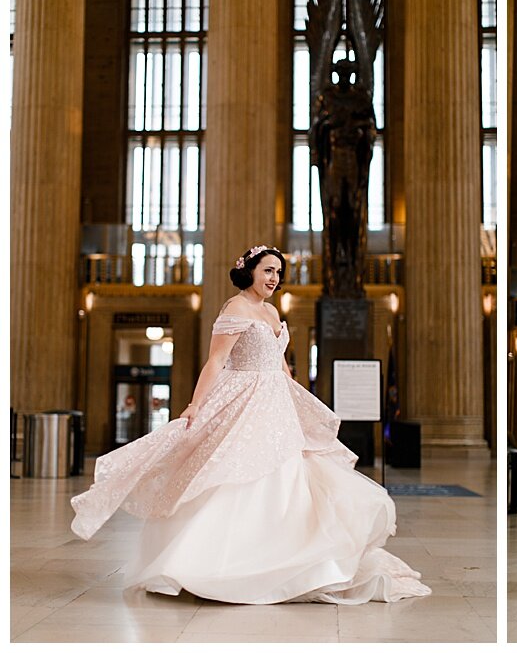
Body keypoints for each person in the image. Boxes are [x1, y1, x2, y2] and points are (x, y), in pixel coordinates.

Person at [70, 245, 430, 604]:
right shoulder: (235, 308)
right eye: (268, 271)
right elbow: (216, 361)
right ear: (250, 271)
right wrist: (196, 405)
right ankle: (216, 566)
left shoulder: (272, 311)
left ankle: (288, 559)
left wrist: (297, 400)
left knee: (290, 475)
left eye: (278, 273)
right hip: (244, 397)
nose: (274, 279)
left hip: (277, 402)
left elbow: (280, 364)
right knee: (237, 472)